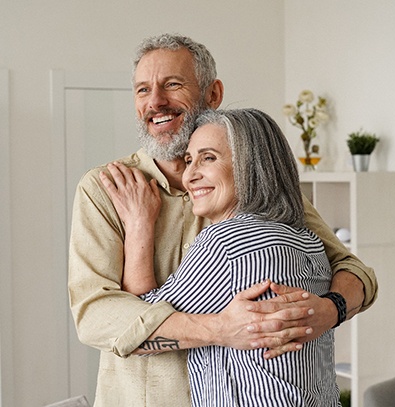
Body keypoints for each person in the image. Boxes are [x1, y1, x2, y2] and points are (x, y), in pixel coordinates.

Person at [68, 33, 377, 406]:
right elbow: (95, 315)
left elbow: (353, 270)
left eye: (172, 85)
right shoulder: (105, 189)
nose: (155, 102)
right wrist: (220, 329)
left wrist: (328, 310)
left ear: (213, 94)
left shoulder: (258, 189)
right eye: (142, 90)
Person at [105, 108, 341, 406]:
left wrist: (139, 224)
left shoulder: (226, 242)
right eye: (189, 160)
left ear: (251, 166)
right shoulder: (310, 242)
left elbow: (139, 328)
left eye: (209, 158)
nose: (190, 175)